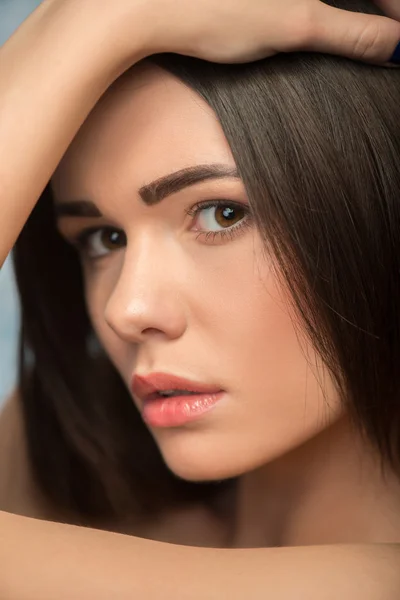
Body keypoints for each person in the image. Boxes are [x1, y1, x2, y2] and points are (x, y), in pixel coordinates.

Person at [0, 0, 400, 597]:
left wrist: (88, 24)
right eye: (103, 239)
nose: (127, 311)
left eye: (222, 213)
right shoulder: (52, 455)